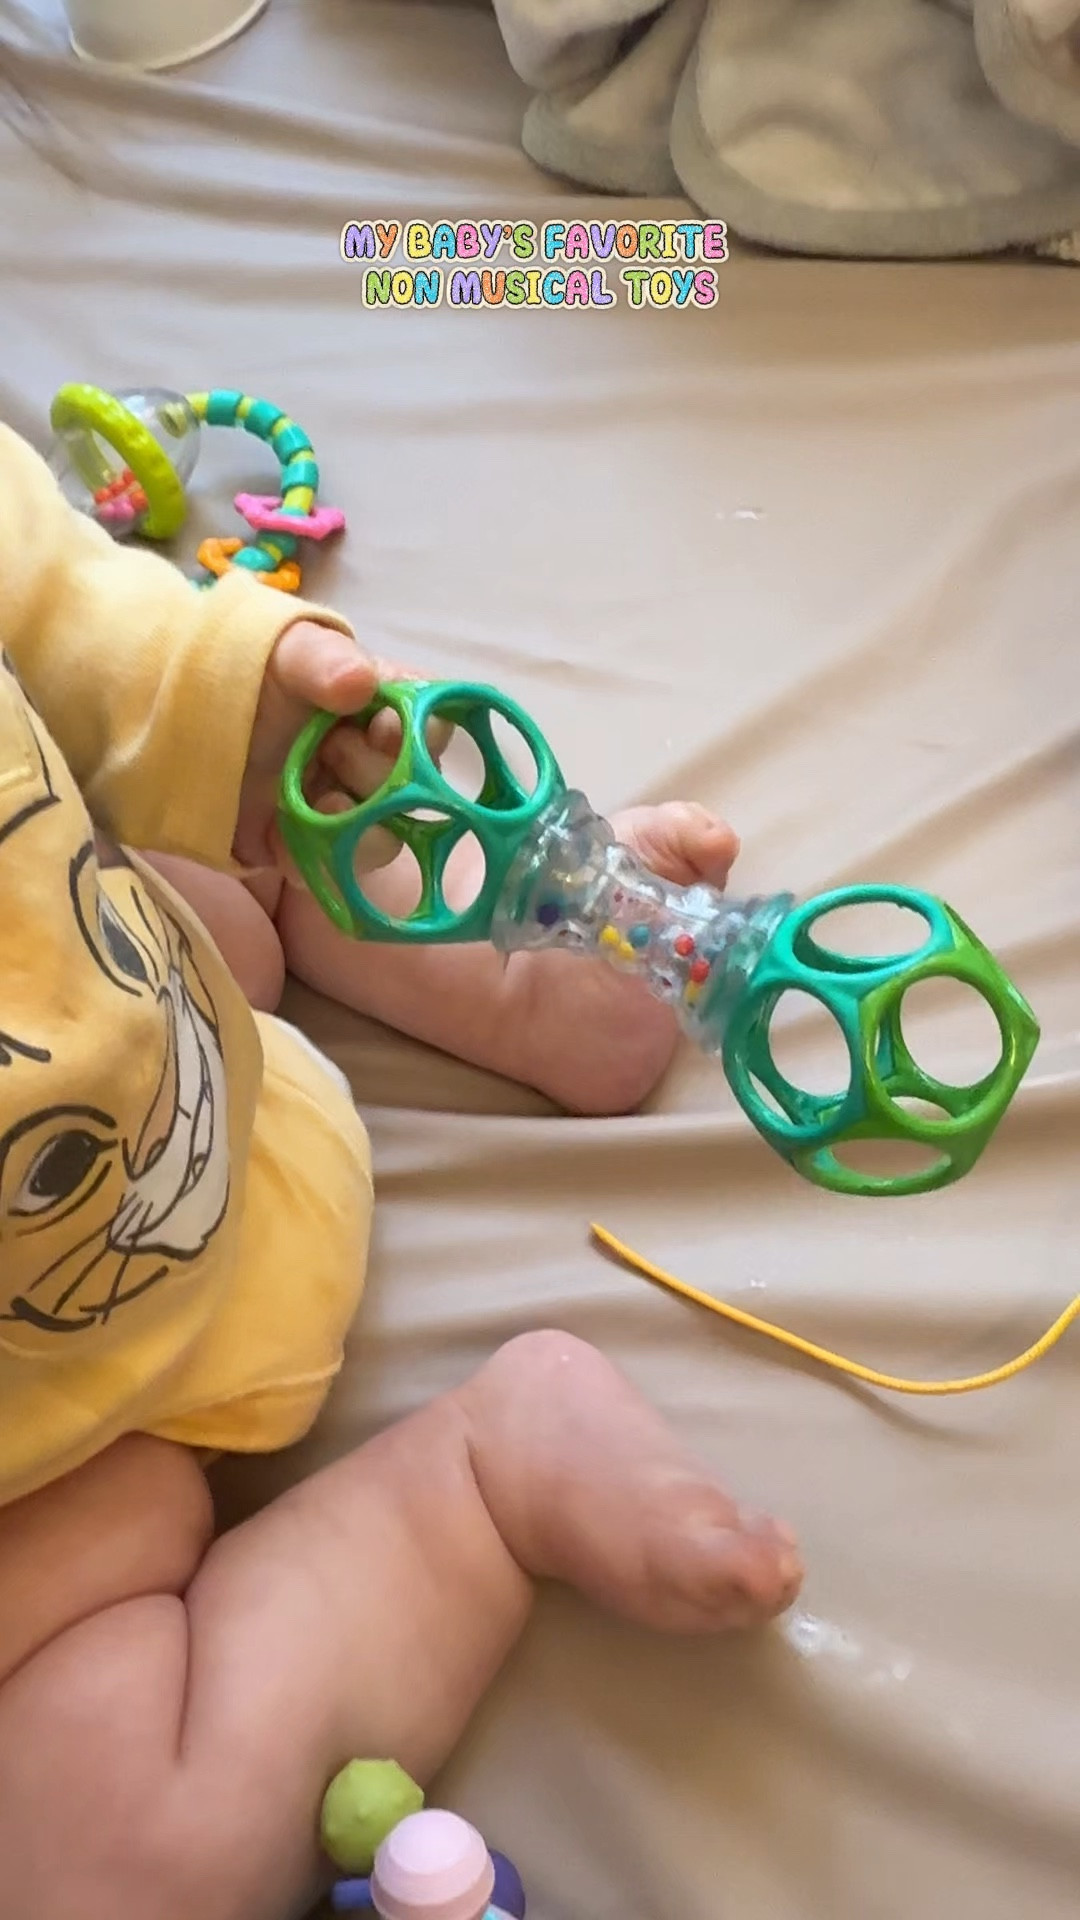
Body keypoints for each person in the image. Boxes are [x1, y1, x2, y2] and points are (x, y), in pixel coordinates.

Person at [0, 422, 803, 1920]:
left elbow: (58, 608)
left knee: (231, 847)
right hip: (54, 1463)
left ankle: (515, 963)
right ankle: (482, 1480)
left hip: (175, 1058)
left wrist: (229, 694)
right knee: (118, 1863)